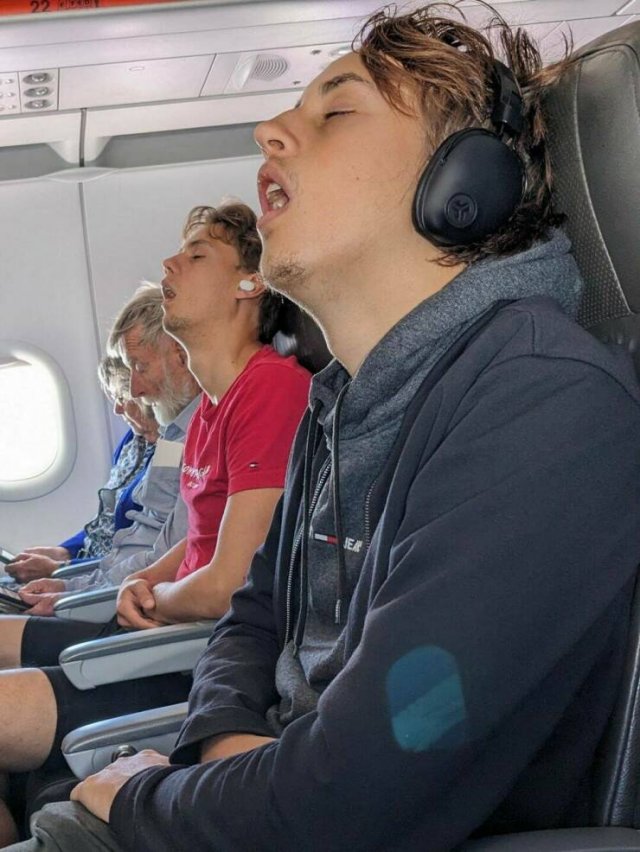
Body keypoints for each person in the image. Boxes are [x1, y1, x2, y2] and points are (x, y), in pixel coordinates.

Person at [10, 6, 640, 851]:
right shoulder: (340, 399)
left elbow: (357, 791)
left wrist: (144, 799)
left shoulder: (542, 403)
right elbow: (252, 617)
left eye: (335, 110)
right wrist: (227, 748)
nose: (268, 131)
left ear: (463, 184)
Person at [0, 201, 310, 845]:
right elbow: (198, 540)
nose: (170, 263)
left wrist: (151, 597)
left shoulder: (271, 389)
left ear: (250, 284)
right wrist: (142, 581)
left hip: (195, 654)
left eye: (196, 255)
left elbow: (228, 582)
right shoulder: (212, 408)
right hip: (172, 628)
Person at [0, 284, 201, 670]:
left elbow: (165, 557)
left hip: (131, 614)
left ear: (180, 354)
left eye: (140, 368)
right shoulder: (173, 434)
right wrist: (71, 580)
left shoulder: (194, 436)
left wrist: (72, 587)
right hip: (109, 593)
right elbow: (133, 538)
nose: (134, 393)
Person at [6, 355, 159, 584]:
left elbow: (145, 550)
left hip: (109, 579)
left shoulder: (171, 452)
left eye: (121, 397)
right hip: (86, 565)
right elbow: (105, 520)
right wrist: (65, 551)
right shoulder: (132, 441)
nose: (117, 409)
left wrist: (61, 569)